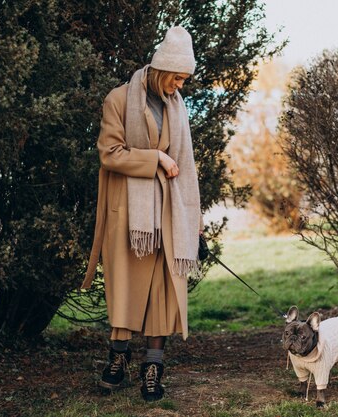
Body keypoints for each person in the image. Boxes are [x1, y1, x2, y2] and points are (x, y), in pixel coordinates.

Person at [81, 26, 203, 402]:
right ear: (162, 69)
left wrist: (194, 223)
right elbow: (109, 153)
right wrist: (156, 159)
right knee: (125, 289)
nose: (180, 85)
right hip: (128, 214)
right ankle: (117, 358)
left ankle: (153, 367)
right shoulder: (118, 100)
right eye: (177, 77)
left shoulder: (177, 106)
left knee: (163, 294)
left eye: (184, 79)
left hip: (169, 213)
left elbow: (188, 165)